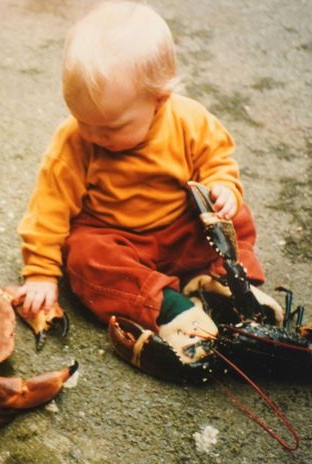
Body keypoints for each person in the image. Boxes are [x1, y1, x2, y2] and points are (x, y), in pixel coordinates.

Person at [15, 1, 272, 364]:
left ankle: (226, 284)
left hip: (181, 229)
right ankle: (167, 306)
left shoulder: (189, 120)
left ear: (159, 100)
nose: (92, 134)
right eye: (81, 119)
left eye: (110, 127)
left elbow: (218, 159)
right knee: (85, 257)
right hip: (116, 238)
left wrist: (222, 185)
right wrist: (40, 272)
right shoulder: (74, 141)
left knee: (237, 216)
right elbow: (48, 208)